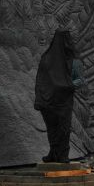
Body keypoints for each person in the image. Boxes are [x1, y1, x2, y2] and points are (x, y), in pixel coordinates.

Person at [34, 30, 78, 164]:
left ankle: (63, 154)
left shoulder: (72, 60)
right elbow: (41, 79)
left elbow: (79, 79)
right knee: (55, 128)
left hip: (61, 99)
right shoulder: (47, 58)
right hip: (50, 100)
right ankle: (54, 153)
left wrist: (65, 85)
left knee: (62, 127)